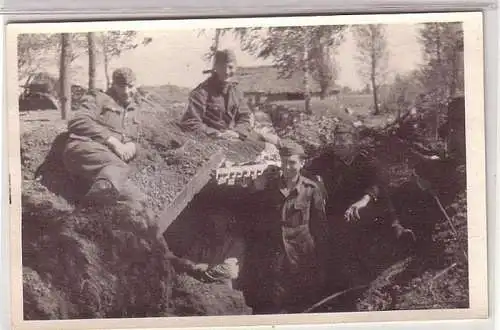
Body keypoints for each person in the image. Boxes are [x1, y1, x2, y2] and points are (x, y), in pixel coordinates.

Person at [243, 139, 329, 314]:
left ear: (302, 163)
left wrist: (321, 256)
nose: (287, 167)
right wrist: (256, 185)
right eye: (283, 162)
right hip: (273, 253)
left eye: (292, 163)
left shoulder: (311, 189)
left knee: (301, 300)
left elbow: (320, 225)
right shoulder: (269, 185)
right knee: (272, 300)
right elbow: (252, 213)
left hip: (301, 252)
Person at [62, 67, 148, 211]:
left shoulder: (135, 110)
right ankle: (87, 214)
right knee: (119, 169)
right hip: (85, 149)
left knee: (138, 200)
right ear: (113, 85)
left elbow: (140, 139)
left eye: (130, 86)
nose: (126, 91)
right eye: (121, 86)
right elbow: (78, 121)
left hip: (108, 167)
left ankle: (95, 225)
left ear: (136, 85)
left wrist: (133, 146)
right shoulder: (98, 98)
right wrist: (112, 141)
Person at [180, 49, 252, 140]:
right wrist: (216, 134)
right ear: (215, 68)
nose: (226, 72)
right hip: (208, 140)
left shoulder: (236, 92)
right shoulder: (201, 92)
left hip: (231, 138)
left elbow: (245, 117)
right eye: (222, 67)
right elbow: (190, 121)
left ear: (236, 68)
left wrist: (237, 133)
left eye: (230, 67)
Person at [183, 207, 246, 290]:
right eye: (211, 222)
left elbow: (230, 271)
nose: (214, 226)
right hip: (200, 287)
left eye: (218, 222)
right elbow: (186, 262)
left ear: (227, 224)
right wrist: (189, 265)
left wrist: (204, 267)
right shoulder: (202, 241)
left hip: (223, 291)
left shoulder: (235, 244)